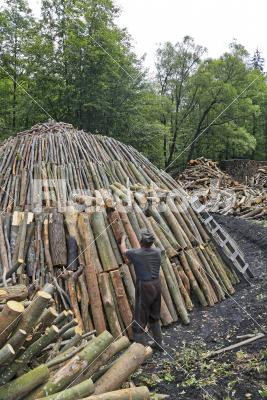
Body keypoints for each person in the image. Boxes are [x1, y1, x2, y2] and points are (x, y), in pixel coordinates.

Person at [120, 229, 163, 350]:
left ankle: (140, 351)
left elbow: (124, 251)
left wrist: (123, 239)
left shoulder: (136, 253)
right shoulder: (157, 251)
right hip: (157, 285)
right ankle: (159, 343)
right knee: (154, 314)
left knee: (139, 317)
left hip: (145, 286)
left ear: (141, 241)